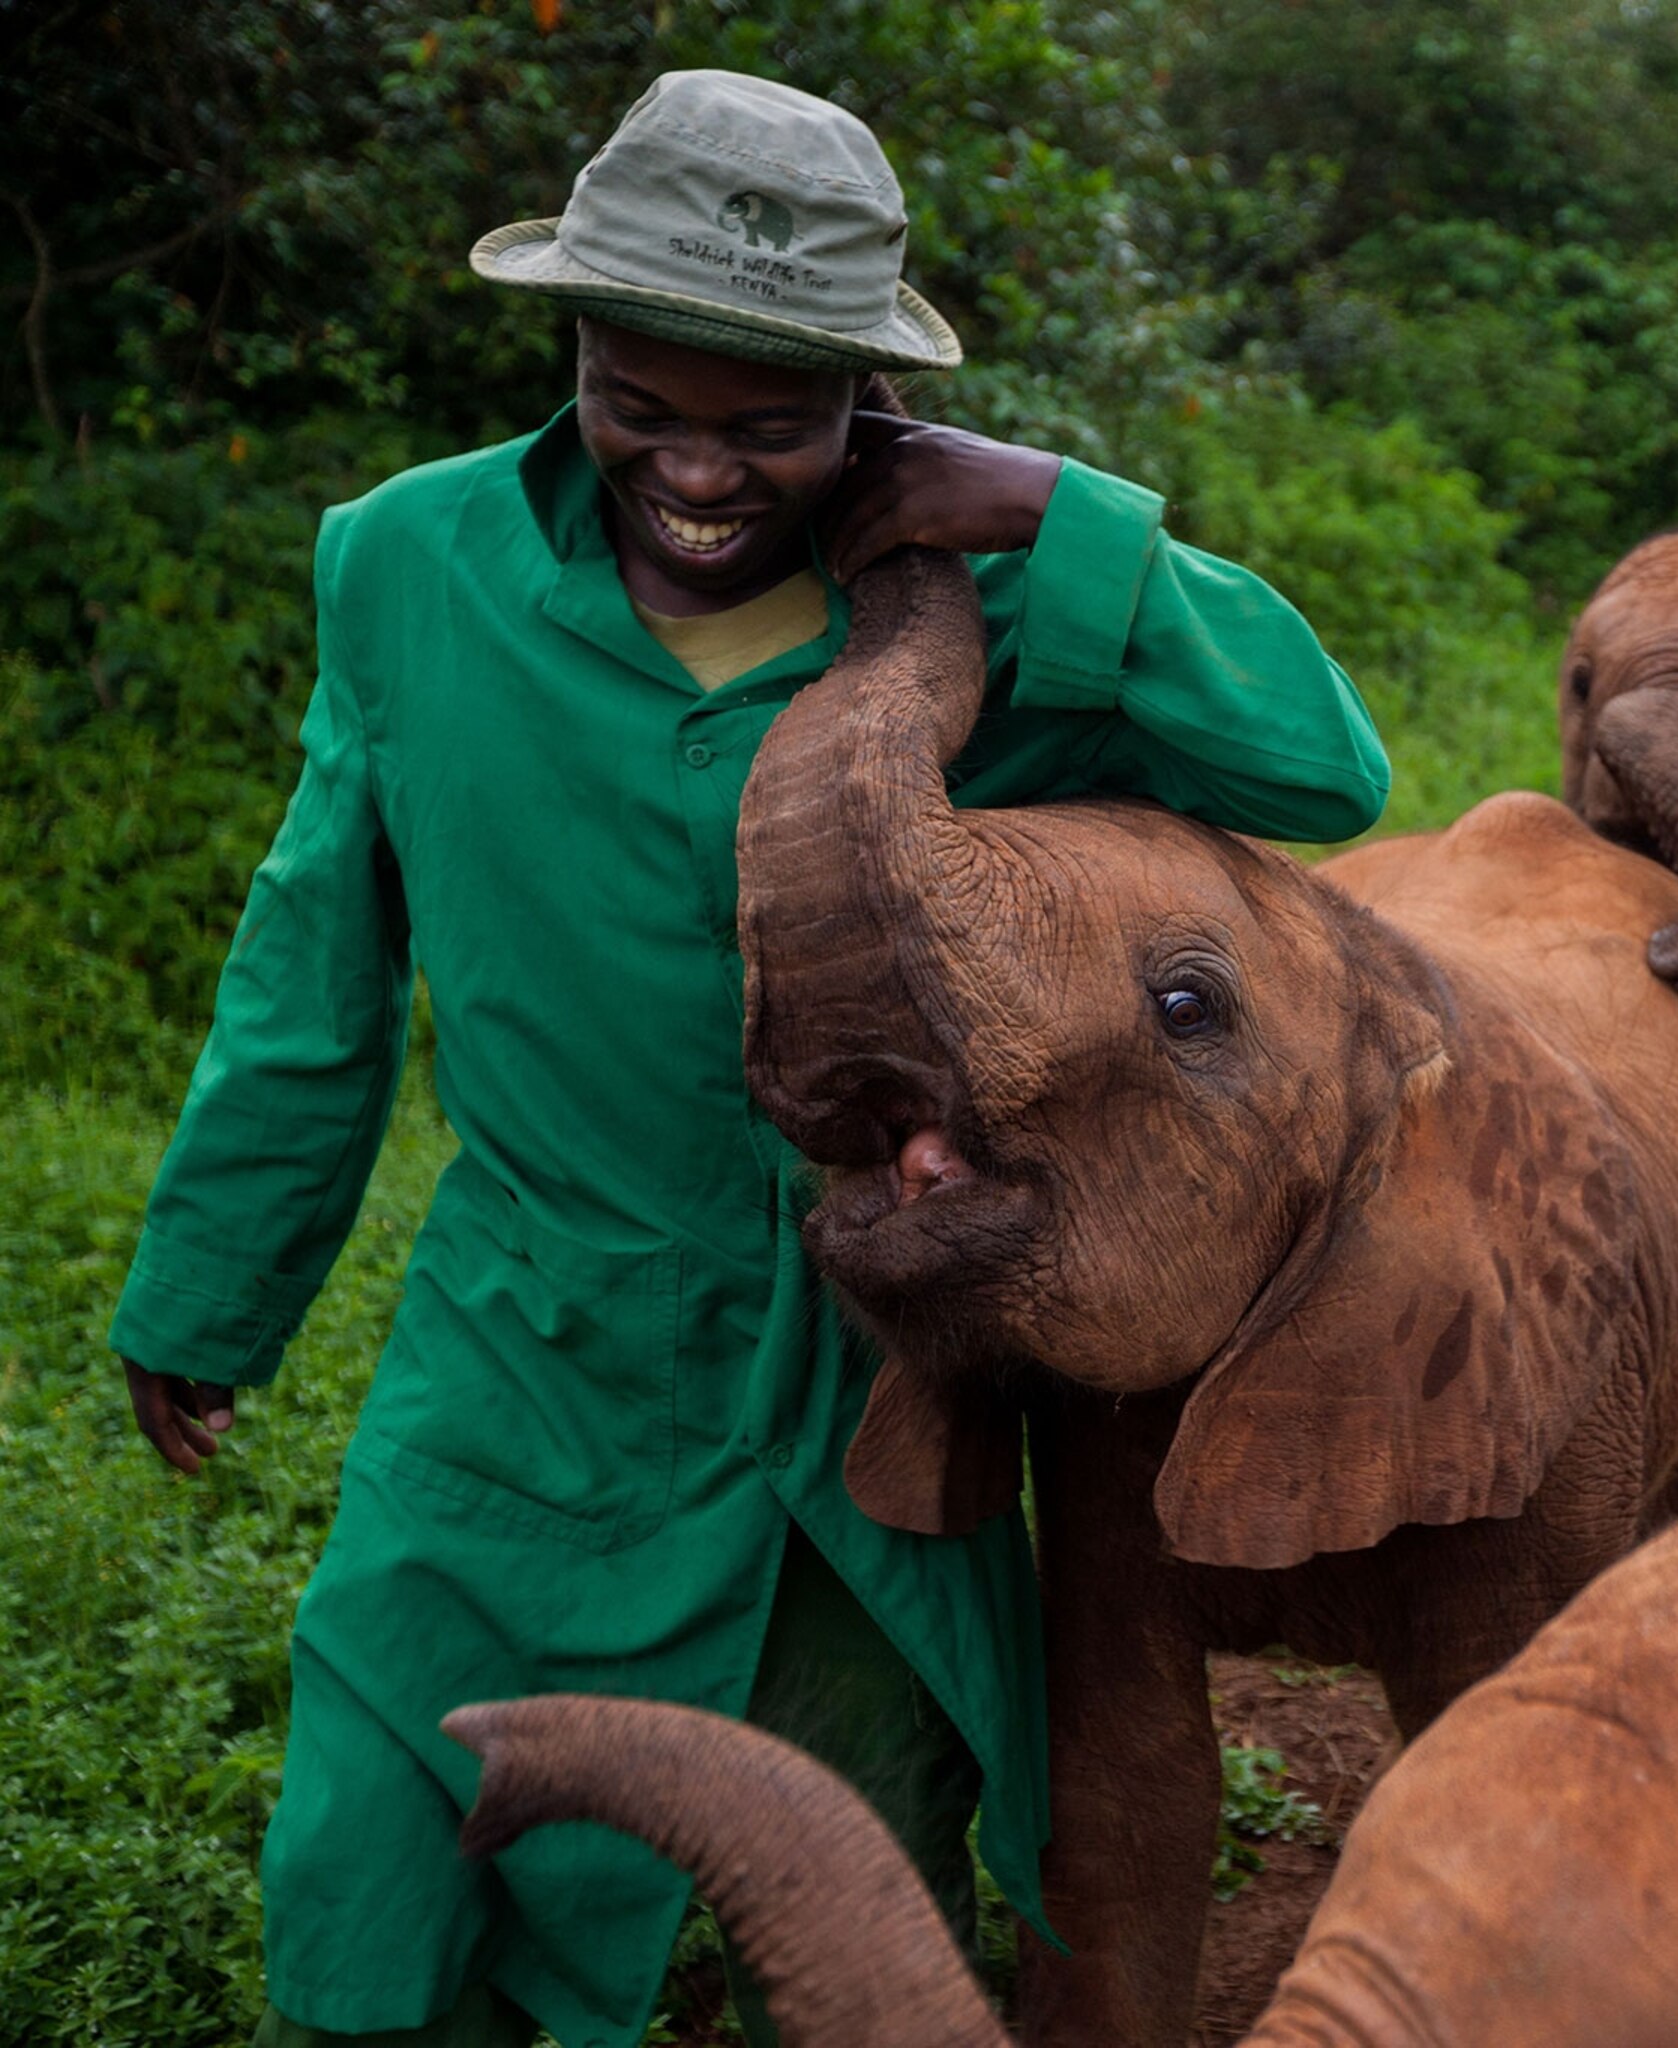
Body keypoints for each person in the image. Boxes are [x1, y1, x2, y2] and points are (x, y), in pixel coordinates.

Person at [106, 70, 1389, 2048]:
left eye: (769, 427)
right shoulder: (410, 566)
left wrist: (1051, 507)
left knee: (845, 1885)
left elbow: (1325, 765)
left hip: (852, 1394)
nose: (697, 471)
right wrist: (213, 1282)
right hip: (519, 1352)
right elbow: (311, 970)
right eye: (643, 405)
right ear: (581, 348)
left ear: (876, 410)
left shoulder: (977, 624)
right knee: (375, 1869)